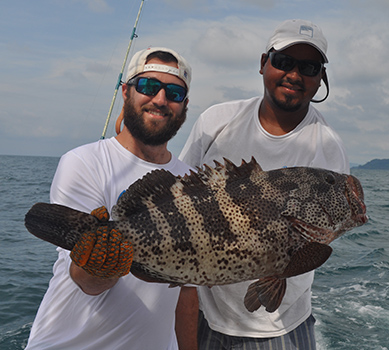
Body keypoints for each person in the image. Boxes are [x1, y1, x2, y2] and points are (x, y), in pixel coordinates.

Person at [179, 19, 349, 349]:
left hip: (278, 326)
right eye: (284, 62)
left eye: (309, 67)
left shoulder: (327, 146)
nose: (295, 75)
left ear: (320, 79)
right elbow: (182, 192)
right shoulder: (217, 121)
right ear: (263, 64)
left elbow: (314, 240)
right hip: (199, 308)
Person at [26, 47, 198, 350]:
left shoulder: (192, 183)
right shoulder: (84, 162)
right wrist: (101, 260)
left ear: (184, 105)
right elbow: (86, 282)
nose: (160, 99)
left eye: (173, 92)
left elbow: (185, 293)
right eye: (147, 86)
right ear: (125, 92)